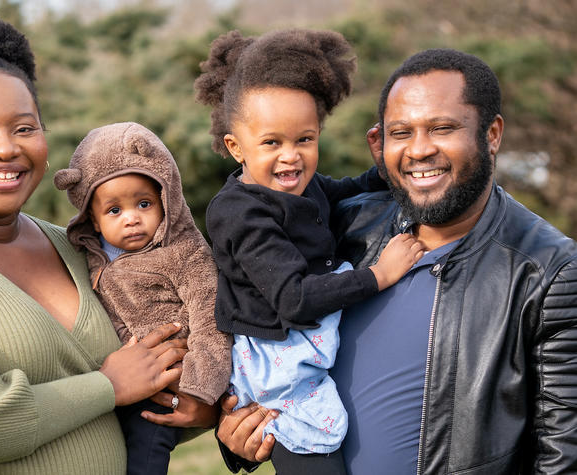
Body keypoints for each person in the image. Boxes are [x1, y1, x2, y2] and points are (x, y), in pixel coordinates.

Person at [0, 15, 214, 474]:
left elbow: (138, 389)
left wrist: (205, 411)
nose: (6, 148)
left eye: (24, 128)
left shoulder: (76, 247)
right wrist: (106, 384)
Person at [216, 47, 577, 474]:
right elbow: (260, 321)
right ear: (379, 143)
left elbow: (562, 455)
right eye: (401, 133)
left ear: (492, 134)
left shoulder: (547, 270)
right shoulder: (348, 225)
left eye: (442, 128)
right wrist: (240, 433)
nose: (420, 150)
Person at [194, 29, 425, 474]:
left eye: (304, 139)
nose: (291, 157)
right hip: (278, 362)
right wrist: (381, 274)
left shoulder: (303, 185)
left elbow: (343, 192)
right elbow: (294, 300)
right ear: (235, 147)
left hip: (306, 342)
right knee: (315, 453)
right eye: (271, 143)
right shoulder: (239, 212)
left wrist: (381, 171)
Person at [53, 121, 232, 474]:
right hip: (121, 378)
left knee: (145, 447)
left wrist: (197, 386)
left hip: (173, 376)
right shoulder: (89, 255)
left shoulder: (183, 252)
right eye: (114, 211)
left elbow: (210, 316)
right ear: (93, 215)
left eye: (144, 204)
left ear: (167, 200)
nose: (131, 219)